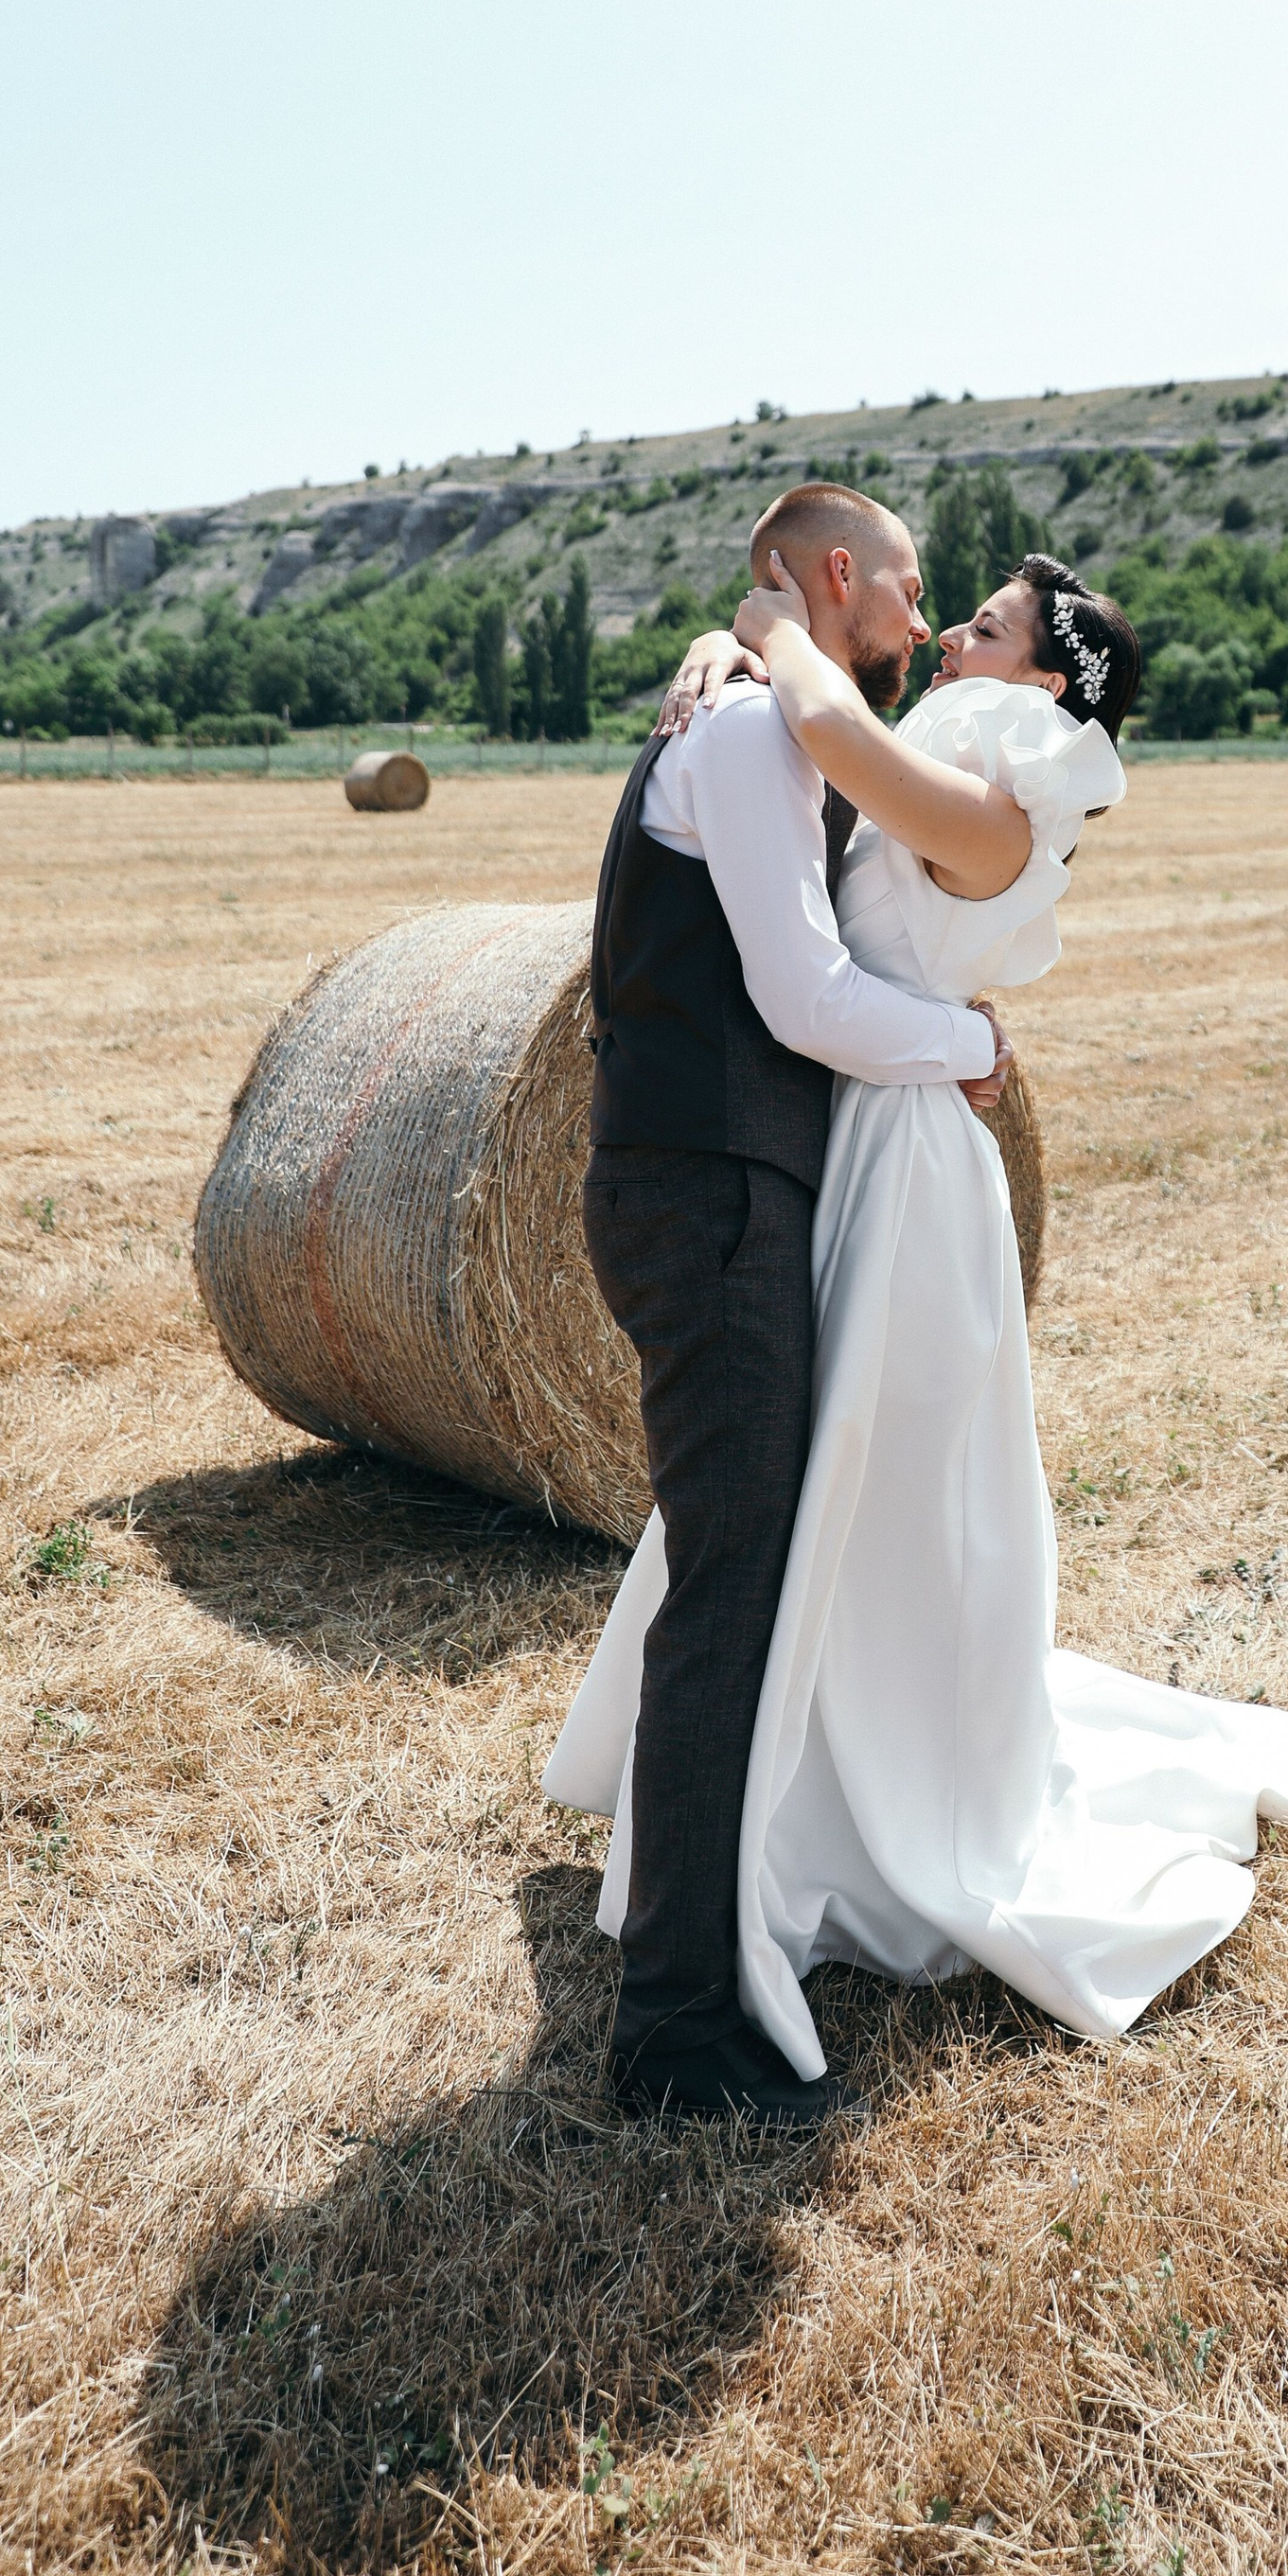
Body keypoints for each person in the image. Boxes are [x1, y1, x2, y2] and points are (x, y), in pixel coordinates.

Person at [547, 543, 1288, 2102]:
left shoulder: (999, 800)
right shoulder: (942, 765)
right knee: (809, 1513)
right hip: (847, 1140)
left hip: (900, 1171)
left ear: (1047, 682)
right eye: (953, 610)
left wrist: (763, 629)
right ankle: (789, 1821)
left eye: (989, 625)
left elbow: (832, 737)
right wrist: (734, 653)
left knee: (873, 1507)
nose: (955, 629)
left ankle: (879, 1824)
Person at [567, 479, 1015, 2129]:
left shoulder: (762, 717)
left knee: (737, 1573)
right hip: (714, 1201)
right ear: (836, 574)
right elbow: (806, 996)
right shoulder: (756, 734)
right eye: (909, 583)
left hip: (711, 1188)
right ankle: (676, 2030)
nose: (924, 611)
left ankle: (711, 1927)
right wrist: (972, 1049)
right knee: (732, 1593)